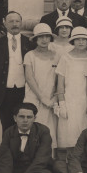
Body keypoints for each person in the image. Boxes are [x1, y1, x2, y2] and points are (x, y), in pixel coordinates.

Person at [54, 27, 87, 153]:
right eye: (77, 39)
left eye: (84, 40)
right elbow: (60, 83)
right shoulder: (66, 58)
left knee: (85, 133)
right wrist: (62, 103)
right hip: (69, 100)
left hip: (86, 101)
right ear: (73, 41)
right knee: (68, 135)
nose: (81, 42)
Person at [23, 23, 60, 151]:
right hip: (34, 98)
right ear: (36, 39)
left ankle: (49, 163)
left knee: (50, 132)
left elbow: (58, 80)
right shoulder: (29, 56)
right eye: (41, 37)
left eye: (47, 36)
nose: (44, 40)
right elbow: (29, 78)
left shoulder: (56, 55)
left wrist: (54, 98)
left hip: (50, 100)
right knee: (33, 130)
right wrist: (42, 98)